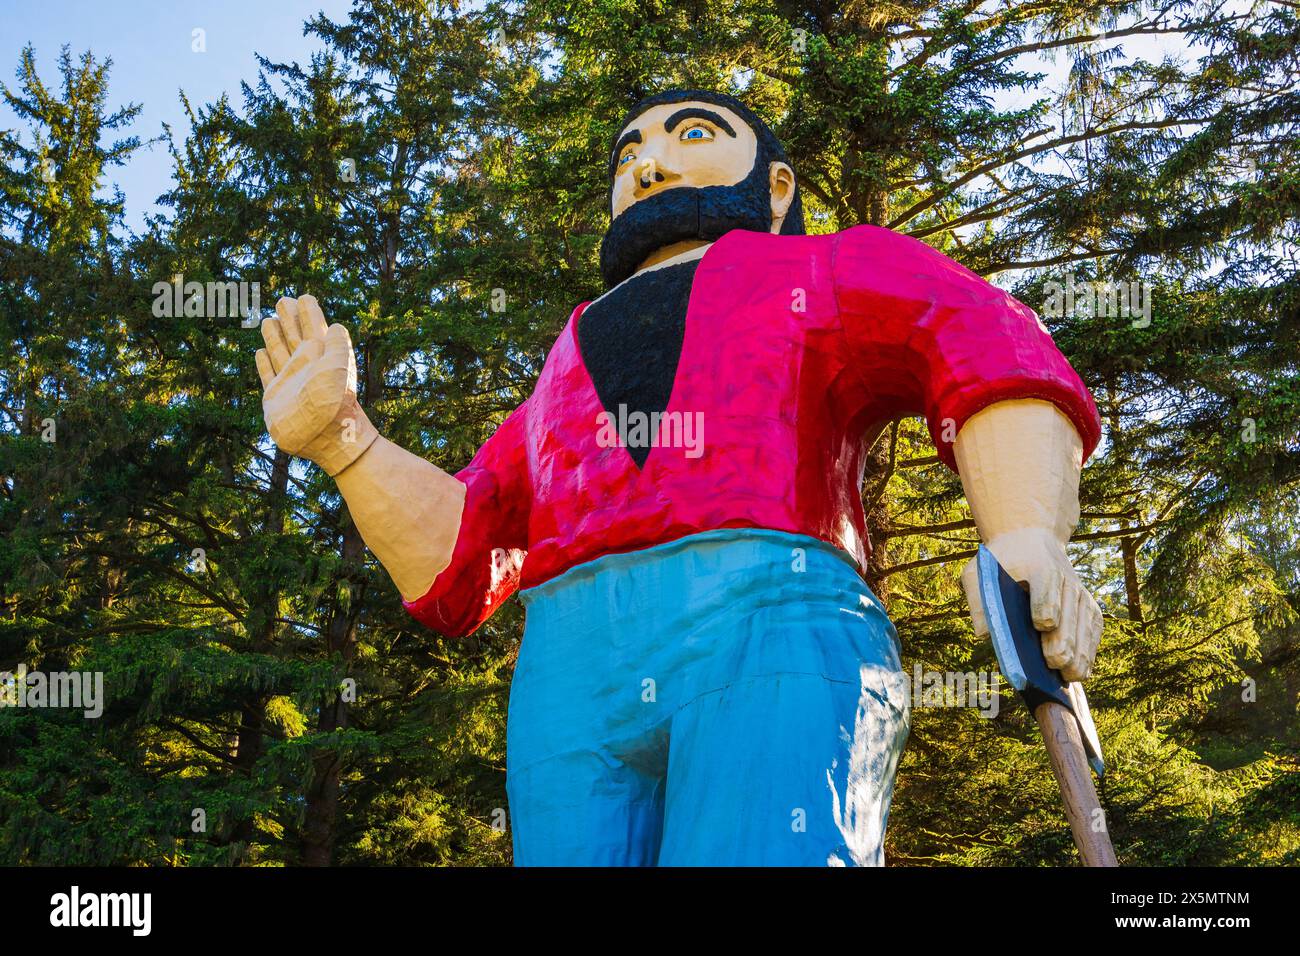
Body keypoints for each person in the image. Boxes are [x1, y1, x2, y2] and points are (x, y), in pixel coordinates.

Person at [254, 89, 1104, 866]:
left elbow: (982, 339)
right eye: (626, 155)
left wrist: (1023, 530)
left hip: (774, 618)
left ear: (776, 190)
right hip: (566, 669)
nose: (646, 163)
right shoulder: (560, 369)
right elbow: (457, 556)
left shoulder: (825, 270)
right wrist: (347, 442)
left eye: (691, 134)